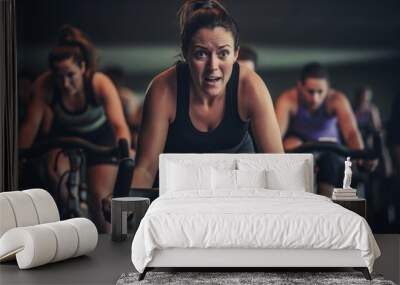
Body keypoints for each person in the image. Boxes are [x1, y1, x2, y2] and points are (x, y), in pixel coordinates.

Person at [131, 0, 283, 188]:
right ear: (185, 53)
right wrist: (129, 205)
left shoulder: (251, 87)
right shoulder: (163, 90)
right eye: (201, 54)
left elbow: (279, 167)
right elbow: (145, 169)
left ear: (236, 54)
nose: (213, 67)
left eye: (223, 53)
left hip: (238, 186)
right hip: (180, 188)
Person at [18, 25, 131, 233]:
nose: (65, 83)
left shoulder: (99, 83)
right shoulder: (45, 85)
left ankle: (109, 246)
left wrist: (124, 154)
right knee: (58, 184)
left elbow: (119, 125)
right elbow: (30, 126)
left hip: (100, 140)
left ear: (83, 68)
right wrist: (19, 159)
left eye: (70, 75)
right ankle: (69, 231)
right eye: (59, 76)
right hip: (64, 139)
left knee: (99, 199)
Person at [275, 62, 370, 196]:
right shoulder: (288, 99)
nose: (315, 98)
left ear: (328, 89)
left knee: (329, 160)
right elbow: (276, 135)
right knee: (291, 143)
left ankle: (325, 206)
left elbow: (351, 133)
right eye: (310, 92)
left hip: (329, 151)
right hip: (302, 149)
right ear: (300, 86)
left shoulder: (336, 99)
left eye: (320, 92)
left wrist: (361, 157)